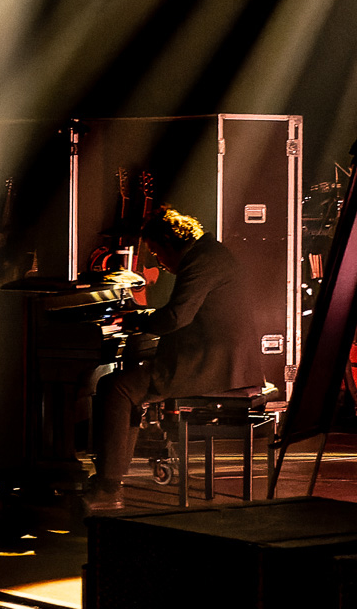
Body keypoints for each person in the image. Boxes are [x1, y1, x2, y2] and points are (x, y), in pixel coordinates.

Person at [83, 207, 260, 508]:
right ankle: (110, 477)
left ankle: (109, 486)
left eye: (156, 253)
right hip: (213, 355)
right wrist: (140, 317)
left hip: (212, 363)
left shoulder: (201, 261)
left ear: (168, 242)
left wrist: (134, 321)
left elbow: (176, 317)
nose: (159, 263)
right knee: (128, 385)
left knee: (116, 387)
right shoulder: (207, 253)